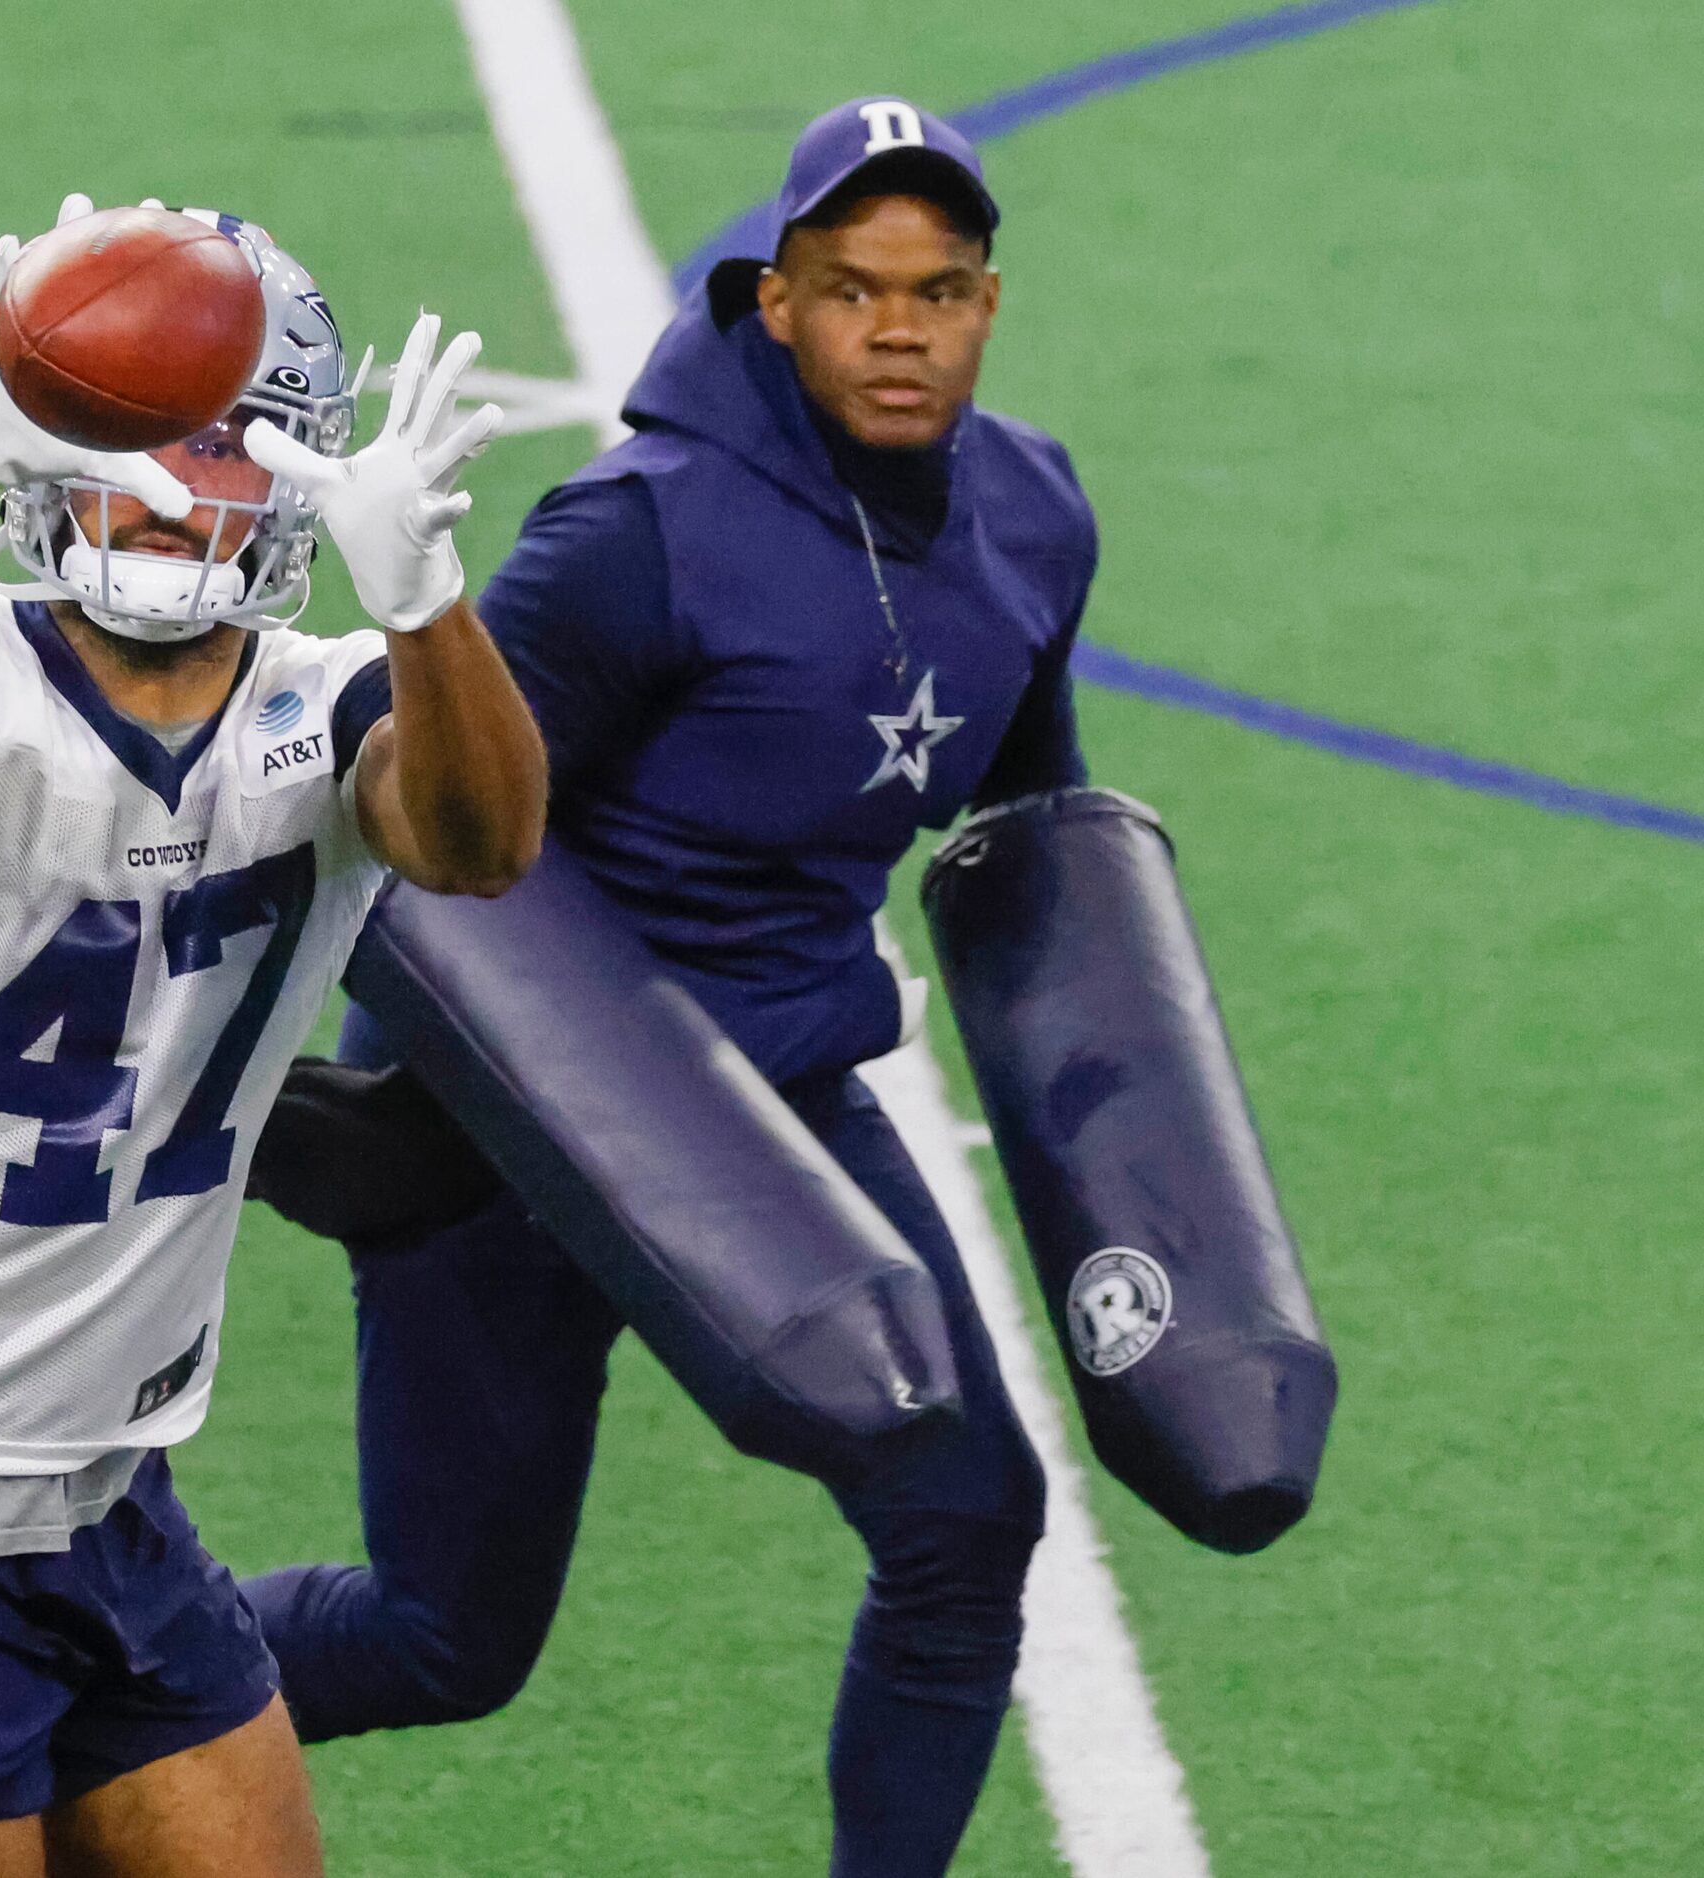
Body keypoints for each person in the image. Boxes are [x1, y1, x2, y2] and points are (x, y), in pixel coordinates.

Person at [242, 100, 1096, 1877]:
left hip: (782, 1102)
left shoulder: (1032, 518)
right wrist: (401, 1131)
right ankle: (54, 1698)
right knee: (443, 1639)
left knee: (965, 1518)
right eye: (855, 289)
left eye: (939, 290)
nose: (900, 328)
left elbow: (1027, 829)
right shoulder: (640, 533)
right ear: (773, 300)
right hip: (514, 1122)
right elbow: (446, 830)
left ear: (989, 303)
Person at [0, 196, 546, 1878]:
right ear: (58, 440)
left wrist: (428, 601)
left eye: (225, 444)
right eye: (143, 429)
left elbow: (483, 845)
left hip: (100, 1483)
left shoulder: (330, 697)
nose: (177, 482)